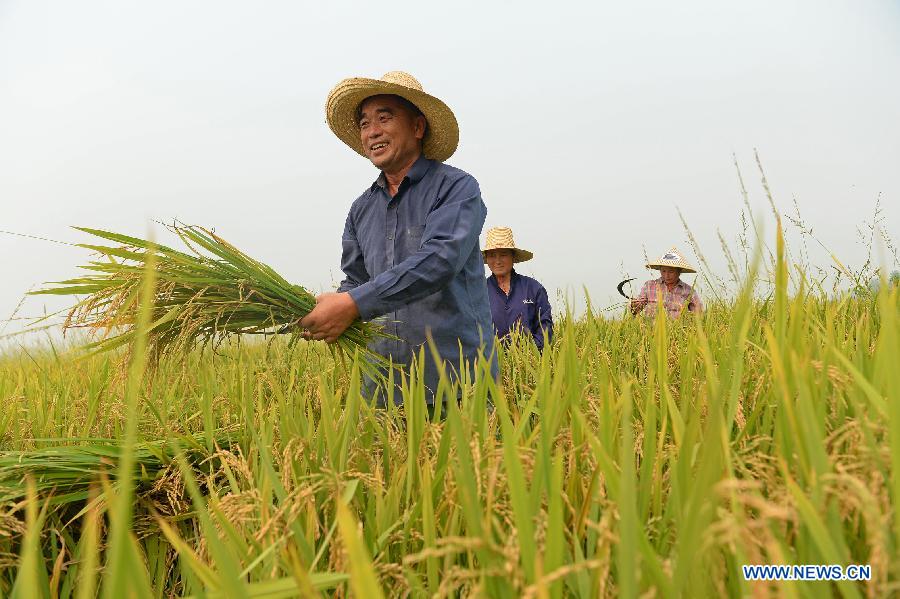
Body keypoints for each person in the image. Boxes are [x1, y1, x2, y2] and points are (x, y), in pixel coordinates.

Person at [299, 71, 497, 407]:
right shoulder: (360, 209)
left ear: (418, 127)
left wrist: (353, 304)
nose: (372, 131)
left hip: (457, 384)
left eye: (384, 118)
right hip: (383, 387)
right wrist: (324, 308)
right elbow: (357, 280)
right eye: (364, 123)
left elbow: (439, 261)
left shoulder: (457, 189)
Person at [483, 227, 553, 350]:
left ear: (513, 257)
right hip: (491, 364)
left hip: (530, 362)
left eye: (503, 254)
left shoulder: (533, 288)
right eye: (492, 255)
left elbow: (545, 326)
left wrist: (530, 353)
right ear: (487, 259)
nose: (497, 261)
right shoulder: (479, 291)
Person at [630, 247, 704, 318]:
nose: (666, 275)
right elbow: (637, 309)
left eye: (671, 272)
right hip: (651, 329)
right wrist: (634, 305)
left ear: (679, 271)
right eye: (663, 271)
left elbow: (699, 315)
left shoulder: (689, 291)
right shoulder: (649, 286)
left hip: (677, 330)